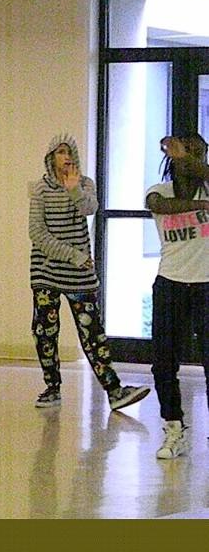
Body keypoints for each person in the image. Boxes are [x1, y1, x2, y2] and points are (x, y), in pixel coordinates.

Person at [29, 133, 149, 410]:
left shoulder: (85, 184)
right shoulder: (40, 189)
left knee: (92, 332)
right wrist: (73, 256)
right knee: (44, 331)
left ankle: (115, 391)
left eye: (70, 151)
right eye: (60, 152)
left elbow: (89, 209)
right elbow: (36, 233)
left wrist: (74, 189)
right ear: (51, 158)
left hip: (80, 274)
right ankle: (52, 387)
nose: (66, 156)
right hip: (46, 271)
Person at [145, 133, 209, 459]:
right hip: (170, 284)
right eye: (184, 153)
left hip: (206, 285)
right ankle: (174, 428)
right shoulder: (159, 192)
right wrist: (203, 206)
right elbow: (161, 208)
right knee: (163, 363)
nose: (188, 160)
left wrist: (191, 160)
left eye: (197, 155)